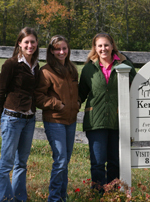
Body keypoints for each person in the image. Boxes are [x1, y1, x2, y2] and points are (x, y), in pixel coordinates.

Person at [78, 33, 136, 191]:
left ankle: (113, 195)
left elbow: (137, 89)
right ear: (95, 48)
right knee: (97, 163)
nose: (103, 48)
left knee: (115, 162)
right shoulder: (89, 68)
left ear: (112, 45)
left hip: (118, 120)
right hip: (96, 121)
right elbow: (80, 94)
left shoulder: (125, 65)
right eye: (100, 46)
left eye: (106, 45)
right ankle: (97, 194)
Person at [0, 27, 39, 202]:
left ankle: (19, 198)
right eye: (26, 42)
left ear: (36, 44)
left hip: (29, 120)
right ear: (19, 43)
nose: (30, 45)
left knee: (21, 163)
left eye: (33, 42)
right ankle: (4, 199)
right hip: (12, 119)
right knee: (6, 164)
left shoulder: (35, 66)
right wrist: (3, 117)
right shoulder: (11, 64)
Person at [35, 35, 79, 201]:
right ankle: (53, 198)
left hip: (71, 120)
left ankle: (62, 196)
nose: (61, 52)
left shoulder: (72, 69)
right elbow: (38, 96)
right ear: (51, 51)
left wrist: (77, 103)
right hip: (54, 121)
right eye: (57, 49)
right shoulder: (46, 71)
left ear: (68, 50)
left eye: (64, 48)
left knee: (65, 161)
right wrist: (56, 104)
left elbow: (76, 93)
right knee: (60, 160)